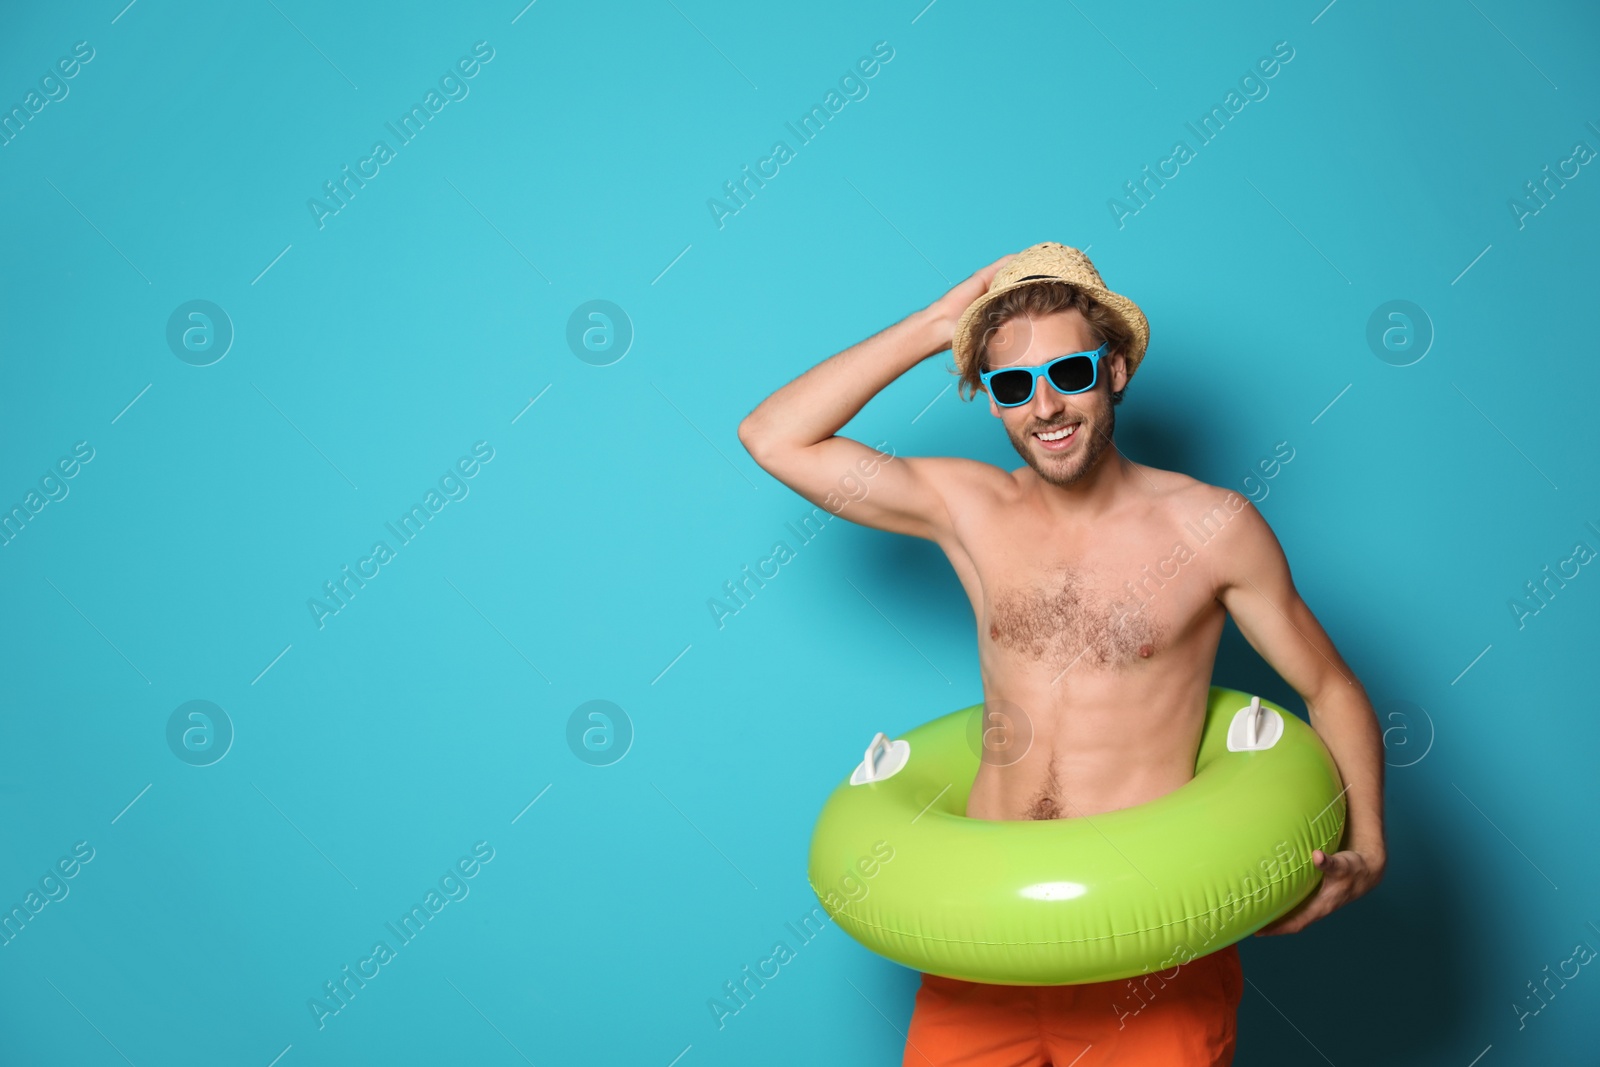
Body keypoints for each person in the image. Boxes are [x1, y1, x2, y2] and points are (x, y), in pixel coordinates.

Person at [736, 242, 1386, 1066]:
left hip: (1149, 949)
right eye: (1012, 385)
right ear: (995, 403)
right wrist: (937, 325)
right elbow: (774, 437)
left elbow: (1329, 686)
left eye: (1069, 372)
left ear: (1114, 369)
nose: (1044, 405)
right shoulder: (966, 510)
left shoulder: (1211, 527)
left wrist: (1369, 843)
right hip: (983, 936)